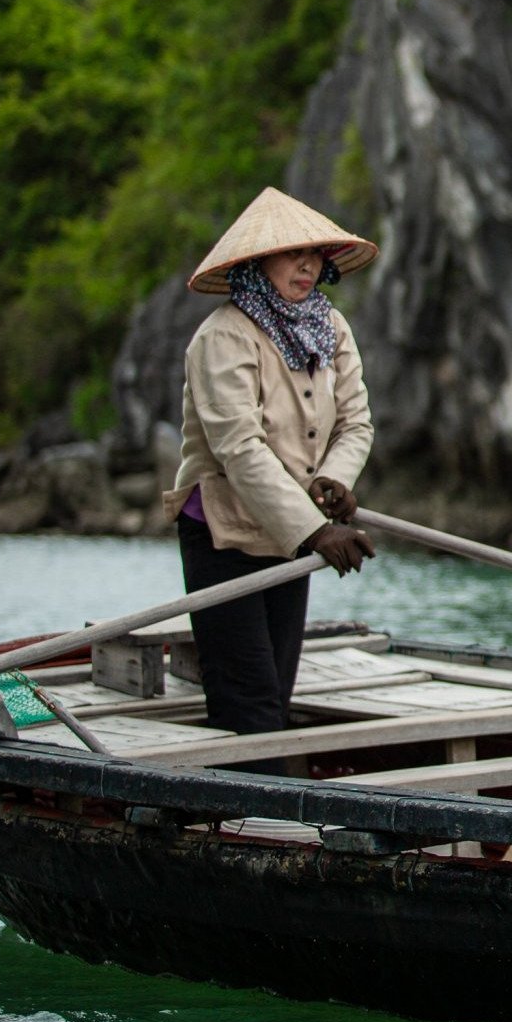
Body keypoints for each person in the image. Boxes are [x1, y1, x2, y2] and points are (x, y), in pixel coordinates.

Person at [163, 187, 378, 767]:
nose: (307, 266)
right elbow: (239, 448)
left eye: (314, 256)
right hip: (225, 532)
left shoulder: (330, 328)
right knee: (248, 698)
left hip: (294, 531)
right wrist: (316, 531)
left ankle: (266, 812)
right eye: (290, 254)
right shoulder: (222, 336)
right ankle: (249, 822)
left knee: (276, 692)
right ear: (256, 263)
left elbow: (356, 422)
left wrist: (334, 479)